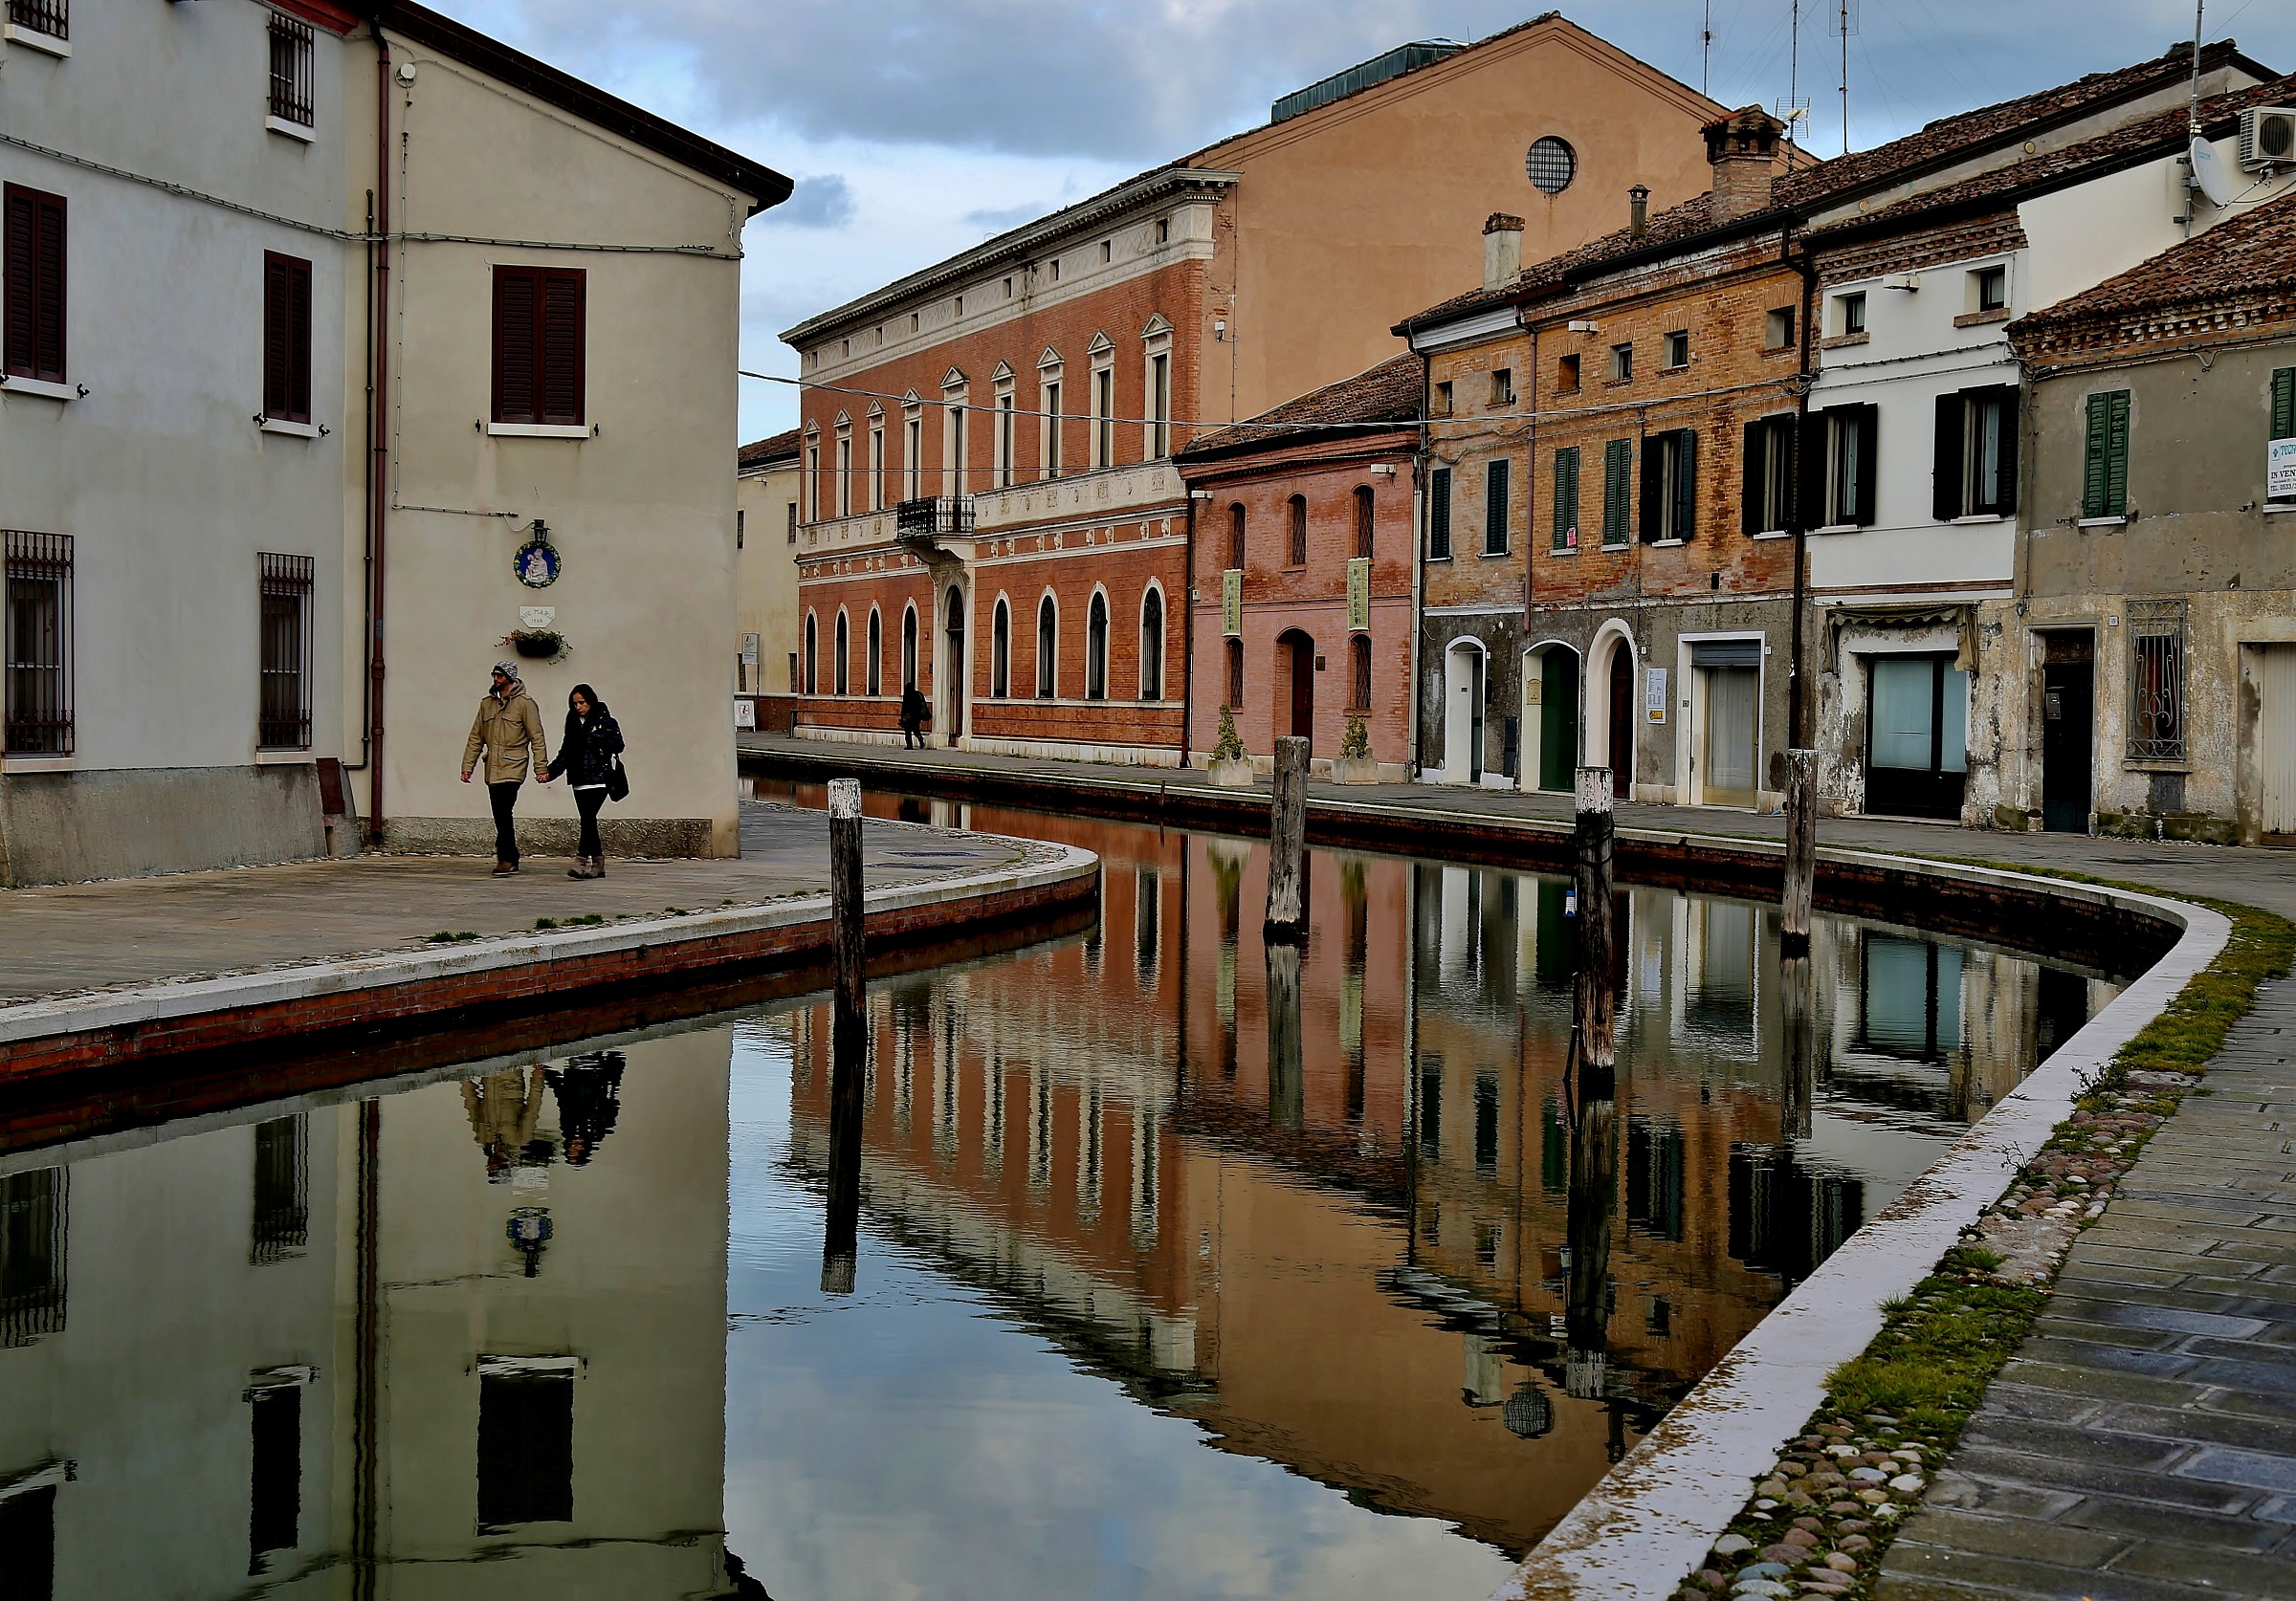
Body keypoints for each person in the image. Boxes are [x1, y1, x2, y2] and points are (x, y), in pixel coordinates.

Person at [461, 660, 550, 875]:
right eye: (494, 674)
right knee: (499, 813)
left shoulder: (525, 703)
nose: (495, 679)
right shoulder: (486, 704)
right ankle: (511, 856)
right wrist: (468, 766)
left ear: (509, 677)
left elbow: (536, 737)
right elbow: (476, 737)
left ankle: (505, 858)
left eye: (499, 675)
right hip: (492, 767)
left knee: (503, 810)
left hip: (514, 765)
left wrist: (541, 768)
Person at [543, 682, 624, 879]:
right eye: (574, 703)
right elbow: (565, 753)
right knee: (589, 821)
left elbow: (618, 745)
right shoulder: (572, 722)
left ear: (591, 701)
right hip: (579, 779)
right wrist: (549, 773)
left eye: (581, 702)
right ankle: (598, 863)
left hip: (600, 778)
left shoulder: (605, 720)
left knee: (588, 819)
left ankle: (580, 861)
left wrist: (598, 734)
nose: (578, 707)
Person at [899, 684, 930, 749]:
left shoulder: (907, 695)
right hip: (917, 716)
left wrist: (902, 717)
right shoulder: (918, 694)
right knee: (916, 729)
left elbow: (904, 707)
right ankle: (920, 739)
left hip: (909, 716)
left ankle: (909, 745)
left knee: (908, 731)